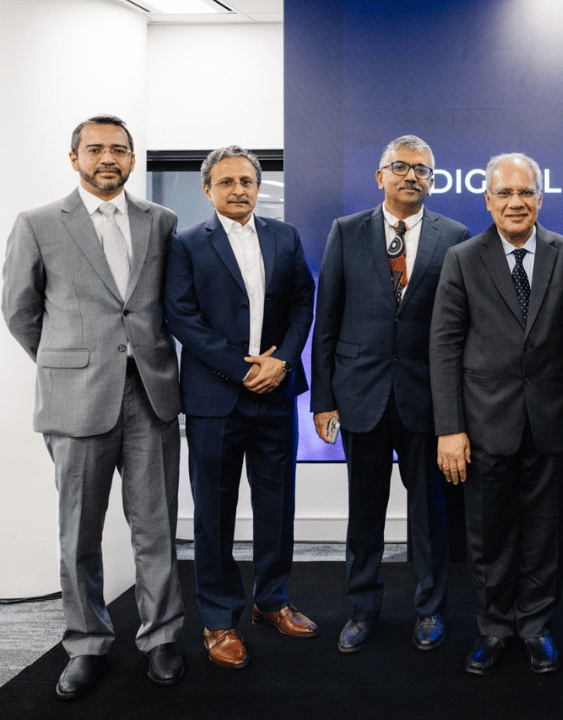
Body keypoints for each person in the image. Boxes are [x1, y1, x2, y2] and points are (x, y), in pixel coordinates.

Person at [2, 114, 185, 697]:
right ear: (74, 157)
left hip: (151, 394)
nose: (109, 158)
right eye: (96, 149)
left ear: (133, 160)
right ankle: (85, 642)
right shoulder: (37, 223)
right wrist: (71, 363)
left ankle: (160, 638)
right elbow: (19, 310)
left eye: (120, 150)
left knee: (155, 528)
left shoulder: (162, 222)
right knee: (78, 534)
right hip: (77, 400)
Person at [310, 135, 468, 654]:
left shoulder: (456, 236)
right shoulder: (346, 231)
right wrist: (322, 399)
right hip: (360, 396)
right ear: (380, 176)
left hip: (426, 401)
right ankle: (362, 609)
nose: (411, 176)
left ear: (432, 179)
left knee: (430, 514)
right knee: (365, 513)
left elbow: (461, 332)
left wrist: (455, 413)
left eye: (422, 169)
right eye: (399, 167)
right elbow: (327, 319)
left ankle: (430, 610)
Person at [430, 152, 563, 676]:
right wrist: (449, 427)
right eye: (505, 194)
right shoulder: (464, 258)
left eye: (525, 193)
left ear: (540, 198)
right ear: (489, 200)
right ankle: (494, 628)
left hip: (554, 424)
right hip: (483, 425)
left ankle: (536, 629)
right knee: (488, 536)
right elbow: (444, 345)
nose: (516, 203)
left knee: (546, 535)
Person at [165, 146, 317, 670]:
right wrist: (242, 367)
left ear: (258, 185)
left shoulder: (285, 236)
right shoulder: (186, 245)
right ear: (208, 189)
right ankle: (218, 619)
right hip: (215, 400)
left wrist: (284, 360)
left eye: (247, 180)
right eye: (226, 181)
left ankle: (272, 601)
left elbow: (303, 299)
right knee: (214, 514)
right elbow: (181, 317)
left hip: (276, 394)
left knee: (277, 509)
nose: (238, 189)